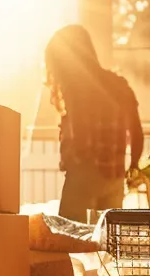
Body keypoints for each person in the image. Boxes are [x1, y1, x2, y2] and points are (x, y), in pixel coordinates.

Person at [44, 25, 143, 221]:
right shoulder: (119, 85)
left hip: (84, 174)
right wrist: (133, 165)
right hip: (114, 176)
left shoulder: (77, 87)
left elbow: (79, 131)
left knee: (70, 236)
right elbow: (137, 132)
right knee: (106, 243)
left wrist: (73, 161)